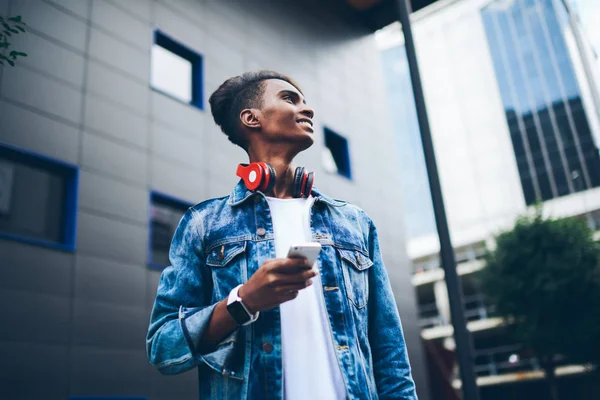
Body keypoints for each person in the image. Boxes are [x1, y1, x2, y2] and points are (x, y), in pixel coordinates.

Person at [146, 70, 418, 399]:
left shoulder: (354, 222)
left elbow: (391, 359)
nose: (309, 110)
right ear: (251, 118)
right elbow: (163, 346)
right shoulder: (203, 223)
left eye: (305, 101)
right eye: (290, 99)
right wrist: (242, 302)